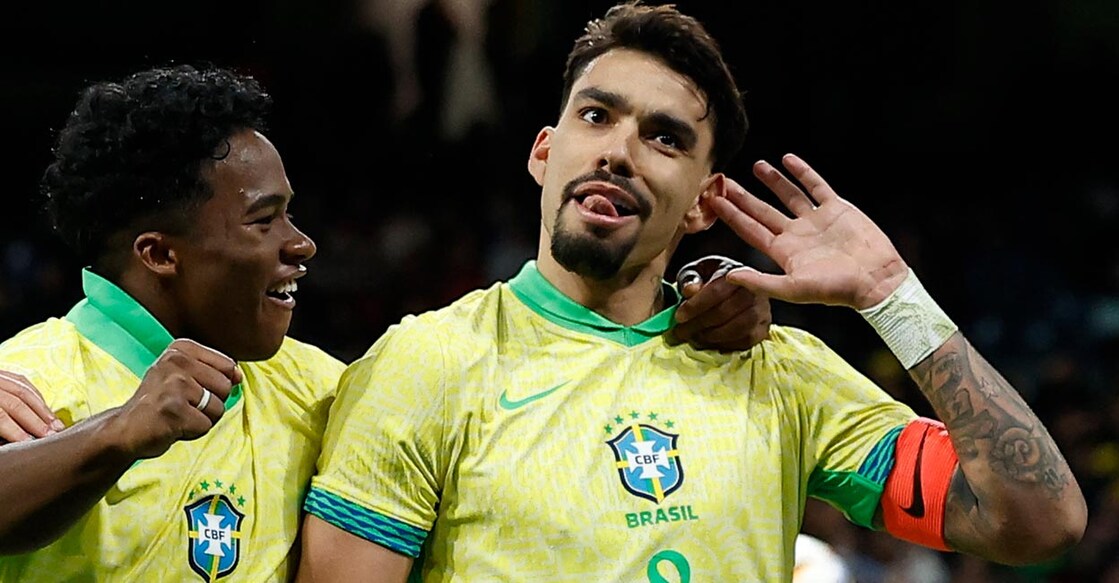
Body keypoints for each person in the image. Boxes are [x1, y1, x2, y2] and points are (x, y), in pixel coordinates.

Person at [295, 2, 1087, 581]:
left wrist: (893, 296)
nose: (619, 151)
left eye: (664, 138)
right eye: (596, 116)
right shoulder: (423, 365)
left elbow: (1036, 521)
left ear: (705, 201)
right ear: (543, 151)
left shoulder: (780, 374)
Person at [0, 62, 770, 580]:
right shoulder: (32, 377)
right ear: (159, 253)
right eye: (264, 220)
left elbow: (505, 405)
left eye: (290, 214)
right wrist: (116, 430)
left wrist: (681, 299)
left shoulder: (313, 385)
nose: (301, 244)